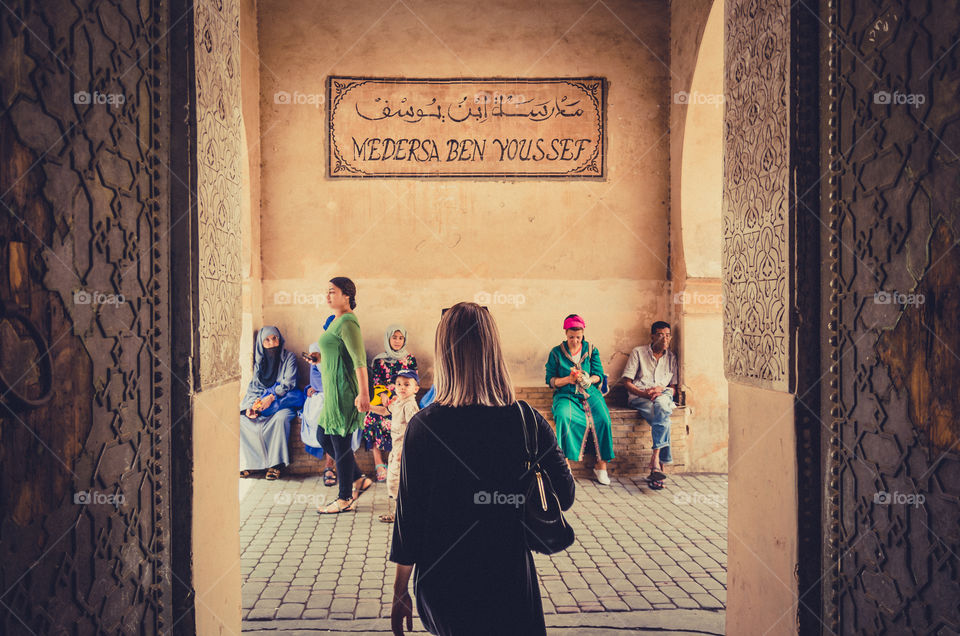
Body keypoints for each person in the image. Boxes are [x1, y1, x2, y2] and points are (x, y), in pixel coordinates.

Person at [390, 302, 575, 636]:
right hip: (509, 579)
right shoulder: (525, 420)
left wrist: (399, 590)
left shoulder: (424, 426)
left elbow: (409, 519)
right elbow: (564, 493)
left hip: (442, 582)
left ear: (444, 353)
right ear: (494, 350)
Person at [315, 277, 374, 514]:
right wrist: (318, 359)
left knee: (339, 443)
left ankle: (344, 498)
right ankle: (359, 478)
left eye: (332, 292)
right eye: (326, 292)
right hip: (331, 392)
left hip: (343, 392)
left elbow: (359, 360)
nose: (327, 296)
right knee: (323, 437)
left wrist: (363, 394)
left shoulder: (349, 322)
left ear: (346, 295)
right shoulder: (335, 322)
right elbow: (337, 353)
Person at [545, 314, 616, 485]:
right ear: (565, 333)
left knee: (603, 419)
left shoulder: (591, 349)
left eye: (578, 337)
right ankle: (565, 466)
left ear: (583, 334)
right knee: (563, 416)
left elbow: (598, 375)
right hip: (566, 394)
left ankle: (600, 466)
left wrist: (588, 379)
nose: (575, 341)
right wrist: (567, 380)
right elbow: (550, 380)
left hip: (590, 393)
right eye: (571, 337)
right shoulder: (556, 352)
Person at [301, 316, 361, 487]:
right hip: (325, 395)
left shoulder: (352, 349)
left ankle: (346, 488)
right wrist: (320, 362)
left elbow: (354, 375)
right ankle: (356, 476)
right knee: (324, 435)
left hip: (345, 396)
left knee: (335, 436)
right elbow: (317, 381)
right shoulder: (318, 349)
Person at [239, 326, 304, 480]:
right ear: (261, 345)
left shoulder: (289, 357)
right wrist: (250, 407)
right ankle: (253, 464)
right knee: (243, 420)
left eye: (274, 338)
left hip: (285, 402)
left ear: (279, 339)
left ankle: (275, 465)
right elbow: (254, 387)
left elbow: (288, 383)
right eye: (267, 340)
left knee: (281, 419)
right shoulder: (259, 364)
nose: (272, 343)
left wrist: (271, 396)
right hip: (264, 404)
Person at [622, 320, 679, 490]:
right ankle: (662, 464)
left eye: (668, 335)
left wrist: (661, 390)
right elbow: (627, 382)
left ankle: (655, 461)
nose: (665, 339)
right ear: (652, 336)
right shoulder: (638, 352)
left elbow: (674, 389)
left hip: (663, 395)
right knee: (664, 419)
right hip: (641, 398)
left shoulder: (672, 357)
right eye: (661, 335)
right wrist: (645, 393)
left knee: (662, 403)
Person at [362, 324, 417, 482]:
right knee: (371, 418)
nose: (398, 341)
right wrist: (384, 393)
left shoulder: (410, 359)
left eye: (401, 338)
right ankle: (379, 464)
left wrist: (399, 396)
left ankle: (398, 463)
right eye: (394, 337)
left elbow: (413, 382)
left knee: (400, 421)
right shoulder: (379, 360)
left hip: (403, 399)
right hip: (383, 400)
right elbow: (376, 382)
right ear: (388, 338)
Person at [367, 369, 420, 523]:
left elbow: (415, 427)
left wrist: (405, 449)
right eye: (398, 384)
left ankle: (403, 515)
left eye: (406, 384)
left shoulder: (410, 405)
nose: (402, 387)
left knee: (397, 481)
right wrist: (369, 407)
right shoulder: (398, 402)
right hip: (396, 449)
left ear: (415, 389)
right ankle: (401, 513)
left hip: (404, 449)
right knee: (395, 481)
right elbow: (384, 410)